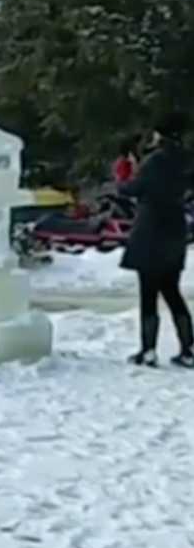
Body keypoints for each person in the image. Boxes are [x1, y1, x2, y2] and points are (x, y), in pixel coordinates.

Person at [118, 112, 194, 367]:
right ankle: (188, 349)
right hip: (175, 230)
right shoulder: (186, 159)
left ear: (161, 135)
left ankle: (148, 350)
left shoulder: (154, 161)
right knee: (172, 291)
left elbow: (132, 189)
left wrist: (125, 173)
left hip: (150, 231)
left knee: (148, 294)